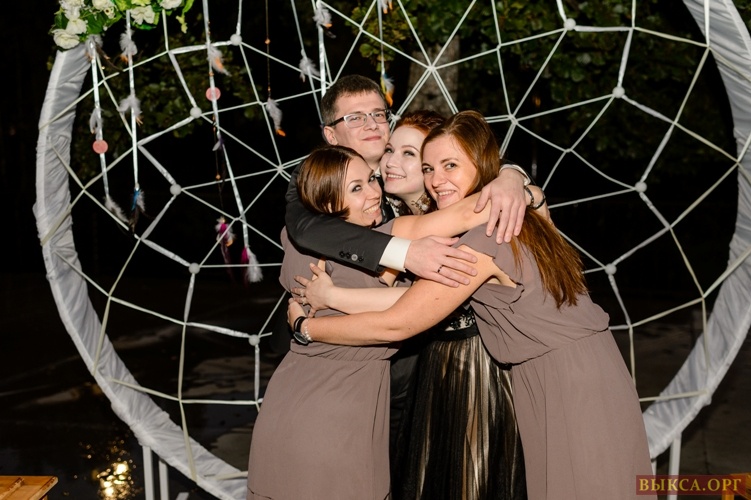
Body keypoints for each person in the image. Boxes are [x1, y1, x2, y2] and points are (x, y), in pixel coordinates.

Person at [288, 111, 656, 500]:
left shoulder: (485, 236)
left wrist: (307, 328)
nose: (436, 179)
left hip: (564, 379)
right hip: (575, 367)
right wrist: (522, 186)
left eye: (450, 165)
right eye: (429, 168)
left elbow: (399, 322)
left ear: (482, 166)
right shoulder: (522, 214)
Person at [277, 74, 534, 458]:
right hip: (342, 368)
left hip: (443, 363)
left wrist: (513, 177)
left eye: (378, 114)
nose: (371, 125)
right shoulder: (316, 180)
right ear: (330, 134)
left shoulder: (420, 186)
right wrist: (403, 253)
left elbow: (468, 160)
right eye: (355, 118)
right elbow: (306, 228)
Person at [248, 144, 515, 499]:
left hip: (286, 403)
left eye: (372, 180)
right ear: (327, 202)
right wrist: (515, 180)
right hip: (335, 417)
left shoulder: (297, 242)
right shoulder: (388, 236)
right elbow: (471, 213)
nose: (375, 192)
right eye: (356, 188)